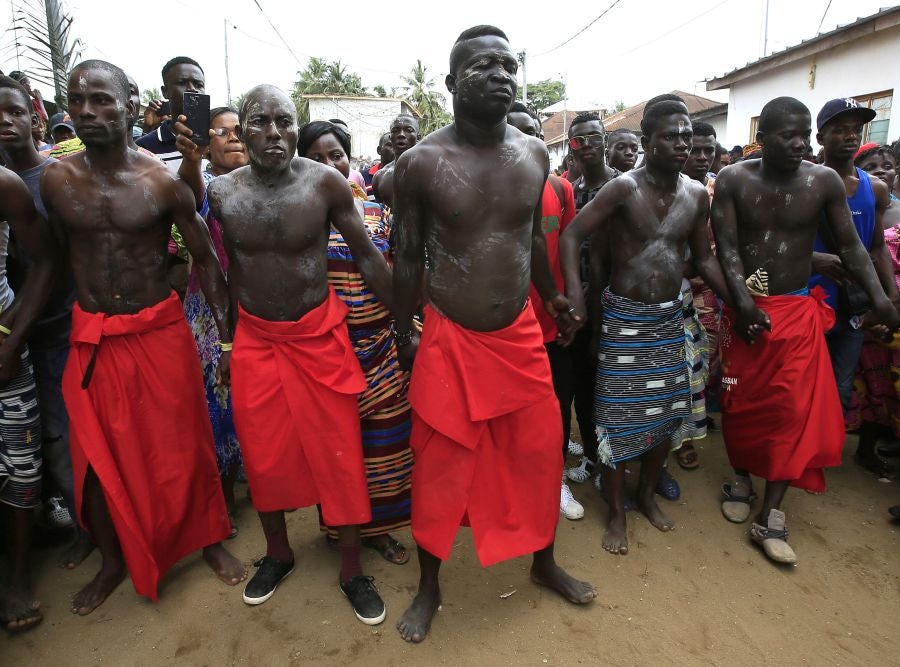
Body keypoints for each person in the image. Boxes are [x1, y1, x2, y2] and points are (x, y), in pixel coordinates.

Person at [392, 25, 596, 644]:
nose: (502, 75)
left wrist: (556, 292)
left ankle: (543, 563)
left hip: (518, 336)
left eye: (510, 65)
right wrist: (403, 332)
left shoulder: (533, 155)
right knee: (439, 468)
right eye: (485, 66)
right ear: (451, 82)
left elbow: (530, 236)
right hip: (451, 338)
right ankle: (430, 586)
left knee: (540, 453)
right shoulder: (420, 162)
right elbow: (406, 257)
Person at [42, 60, 245, 615]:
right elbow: (52, 262)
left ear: (130, 104)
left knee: (187, 446)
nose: (87, 112)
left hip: (159, 334)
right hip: (93, 337)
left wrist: (226, 345)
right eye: (78, 100)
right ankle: (112, 560)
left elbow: (207, 263)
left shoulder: (162, 182)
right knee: (96, 457)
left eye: (102, 100)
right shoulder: (57, 180)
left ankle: (208, 541)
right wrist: (17, 334)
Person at [208, 85, 391, 624]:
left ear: (295, 126)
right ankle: (279, 552)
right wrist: (225, 340)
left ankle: (353, 567)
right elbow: (218, 270)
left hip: (318, 338)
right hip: (257, 342)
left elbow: (366, 256)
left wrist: (409, 320)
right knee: (264, 456)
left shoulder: (325, 183)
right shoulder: (221, 193)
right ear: (242, 129)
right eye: (260, 121)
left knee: (339, 454)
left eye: (284, 121)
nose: (274, 133)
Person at [712, 96, 900, 565]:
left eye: (802, 135)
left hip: (796, 311)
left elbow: (852, 246)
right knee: (739, 402)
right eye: (786, 136)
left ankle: (770, 511)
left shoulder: (822, 182)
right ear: (764, 138)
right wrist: (741, 305)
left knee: (791, 409)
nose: (798, 144)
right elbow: (727, 249)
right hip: (748, 308)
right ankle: (740, 475)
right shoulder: (735, 179)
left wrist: (881, 297)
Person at [560, 100, 730, 556]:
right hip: (623, 320)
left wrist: (741, 302)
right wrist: (579, 298)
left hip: (669, 320)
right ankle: (617, 512)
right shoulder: (621, 190)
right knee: (617, 419)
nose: (681, 144)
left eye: (686, 136)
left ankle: (646, 497)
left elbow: (705, 258)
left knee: (665, 416)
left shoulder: (696, 195)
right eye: (671, 136)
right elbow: (572, 236)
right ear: (647, 141)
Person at [298, 119, 414, 564]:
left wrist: (407, 328)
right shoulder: (298, 218)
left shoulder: (378, 212)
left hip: (382, 346)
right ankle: (342, 529)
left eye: (337, 156)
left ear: (350, 159)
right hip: (327, 353)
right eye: (316, 158)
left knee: (385, 445)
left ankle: (380, 530)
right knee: (339, 450)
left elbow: (402, 269)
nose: (329, 166)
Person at [0, 75, 90, 571]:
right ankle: (82, 526)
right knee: (52, 443)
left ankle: (98, 531)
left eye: (13, 112)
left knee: (76, 436)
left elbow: (62, 260)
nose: (5, 124)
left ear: (35, 118)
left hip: (66, 329)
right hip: (22, 335)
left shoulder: (59, 177)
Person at [810, 98, 896, 477]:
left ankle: (822, 450)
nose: (848, 137)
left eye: (854, 130)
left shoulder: (873, 189)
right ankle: (798, 453)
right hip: (807, 300)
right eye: (839, 129)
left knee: (842, 384)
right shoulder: (803, 182)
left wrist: (887, 296)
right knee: (801, 381)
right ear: (821, 136)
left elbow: (876, 246)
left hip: (852, 304)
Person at [0, 79, 58, 633]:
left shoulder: (7, 185)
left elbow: (44, 262)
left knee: (22, 466)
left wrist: (10, 338)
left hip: (7, 351)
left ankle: (18, 579)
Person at [506, 101, 582, 520]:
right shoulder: (486, 187)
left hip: (549, 318)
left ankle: (555, 479)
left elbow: (566, 248)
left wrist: (569, 301)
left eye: (532, 132)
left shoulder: (560, 188)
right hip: (503, 324)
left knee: (556, 403)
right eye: (515, 132)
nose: (526, 140)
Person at [173, 106, 248, 526]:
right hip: (209, 313)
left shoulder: (262, 182)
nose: (234, 137)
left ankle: (245, 479)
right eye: (223, 131)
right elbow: (193, 194)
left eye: (241, 130)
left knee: (244, 403)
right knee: (215, 401)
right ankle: (221, 498)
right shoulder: (207, 187)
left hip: (253, 305)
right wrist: (192, 158)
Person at [560, 112, 619, 492]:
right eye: (579, 140)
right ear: (572, 146)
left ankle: (613, 462)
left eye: (594, 137)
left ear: (605, 140)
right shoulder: (570, 189)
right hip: (577, 300)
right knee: (580, 384)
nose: (588, 145)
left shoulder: (625, 186)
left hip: (615, 300)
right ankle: (593, 457)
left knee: (611, 387)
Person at [845, 143, 900, 474]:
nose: (882, 169)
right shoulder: (852, 207)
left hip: (892, 308)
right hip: (865, 307)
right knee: (867, 386)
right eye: (872, 164)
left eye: (888, 164)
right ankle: (864, 448)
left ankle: (877, 445)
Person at [675, 120, 720, 470]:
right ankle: (674, 438)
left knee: (700, 370)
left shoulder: (720, 191)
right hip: (676, 292)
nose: (703, 157)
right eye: (696, 149)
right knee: (674, 370)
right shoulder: (668, 190)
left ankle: (690, 431)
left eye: (710, 150)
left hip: (711, 293)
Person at [136, 56, 205, 171]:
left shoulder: (216, 138)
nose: (192, 89)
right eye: (182, 83)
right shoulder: (144, 147)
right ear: (165, 92)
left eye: (198, 85)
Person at [372, 113, 419, 209]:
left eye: (408, 130)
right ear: (390, 137)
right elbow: (379, 216)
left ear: (418, 137)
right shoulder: (379, 177)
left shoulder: (431, 172)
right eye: (395, 130)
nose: (401, 135)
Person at [364, 131, 393, 199]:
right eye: (390, 145)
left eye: (398, 145)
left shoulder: (408, 176)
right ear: (379, 150)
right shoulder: (364, 176)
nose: (395, 148)